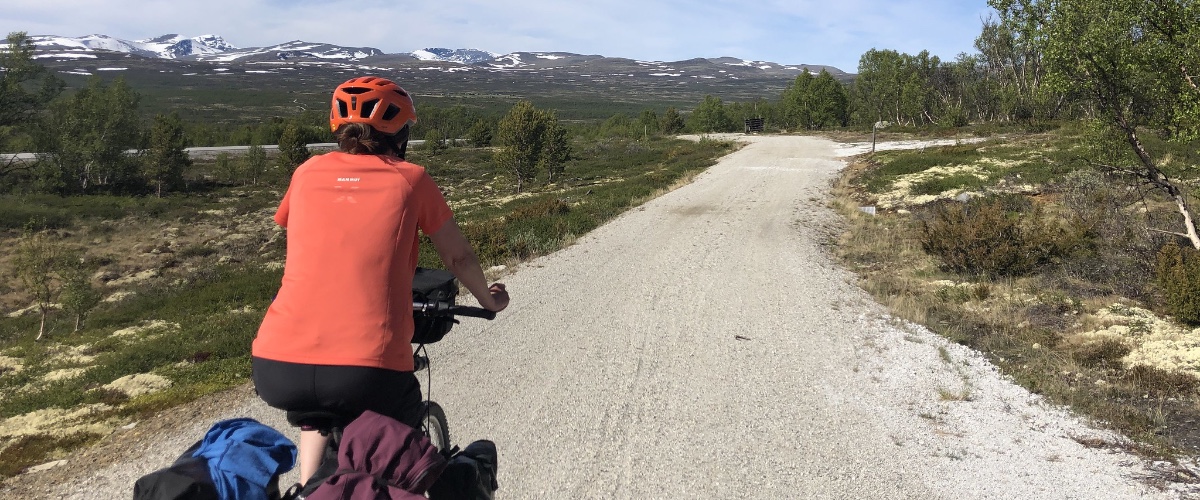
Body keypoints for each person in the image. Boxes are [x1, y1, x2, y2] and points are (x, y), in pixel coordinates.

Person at [250, 76, 509, 486]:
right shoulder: (411, 178)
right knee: (395, 460)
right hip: (366, 370)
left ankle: (309, 488)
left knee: (317, 421)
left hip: (277, 364)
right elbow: (457, 256)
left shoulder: (305, 173)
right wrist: (490, 300)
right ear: (400, 133)